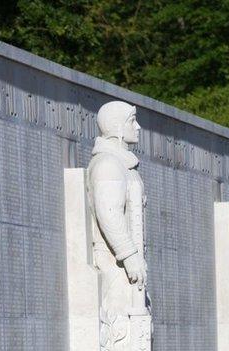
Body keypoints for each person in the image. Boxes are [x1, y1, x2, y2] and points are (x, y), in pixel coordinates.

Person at [87, 101, 150, 350]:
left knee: (138, 334)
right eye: (132, 121)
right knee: (120, 332)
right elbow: (109, 213)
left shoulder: (123, 164)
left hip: (129, 265)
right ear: (117, 127)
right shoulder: (108, 165)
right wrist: (130, 255)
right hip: (116, 263)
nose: (138, 127)